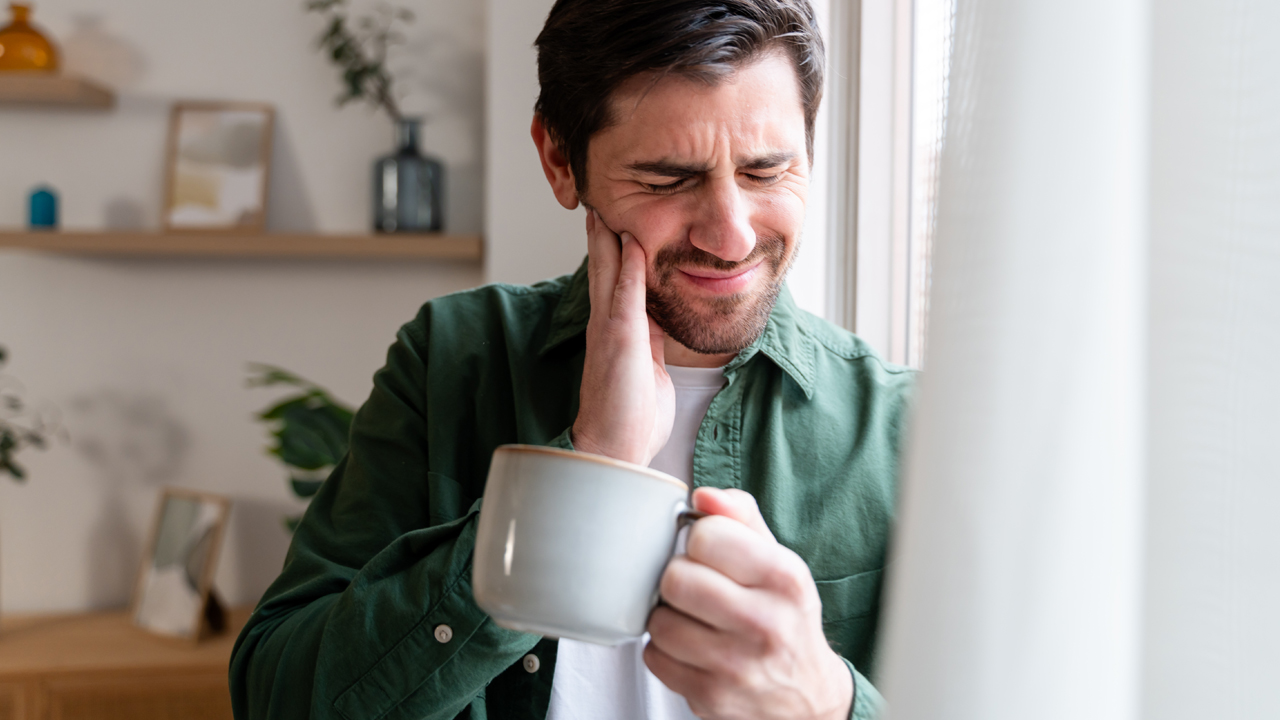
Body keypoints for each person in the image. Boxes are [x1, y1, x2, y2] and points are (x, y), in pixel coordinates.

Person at [229, 1, 913, 719]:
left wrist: (828, 703)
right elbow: (279, 697)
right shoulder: (455, 358)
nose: (731, 236)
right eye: (668, 179)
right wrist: (590, 467)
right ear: (561, 160)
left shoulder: (904, 430)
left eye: (767, 171)